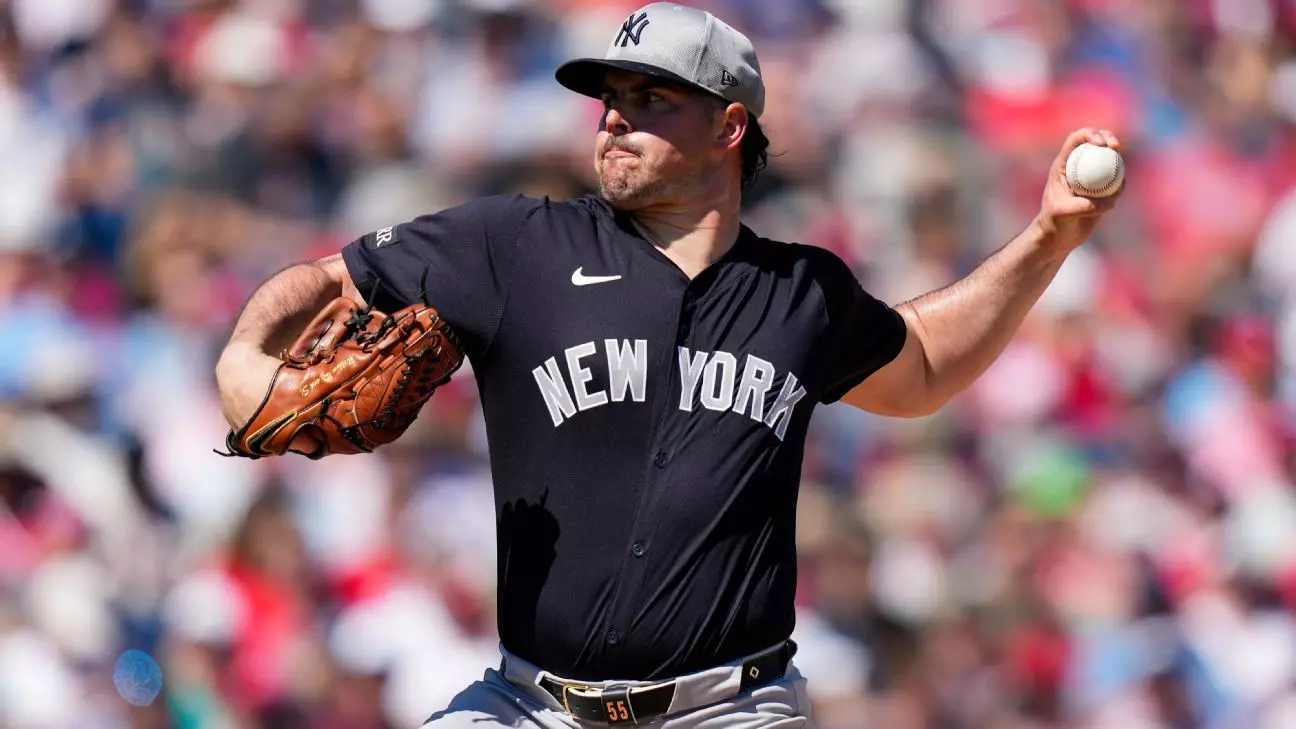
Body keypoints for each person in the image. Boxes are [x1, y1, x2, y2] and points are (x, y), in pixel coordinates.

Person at [214, 3, 1122, 726]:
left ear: (731, 127)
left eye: (652, 99)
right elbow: (327, 277)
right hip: (533, 705)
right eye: (610, 97)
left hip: (735, 706)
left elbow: (921, 366)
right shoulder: (514, 244)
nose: (614, 119)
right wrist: (246, 362)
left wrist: (1050, 236)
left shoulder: (798, 291)